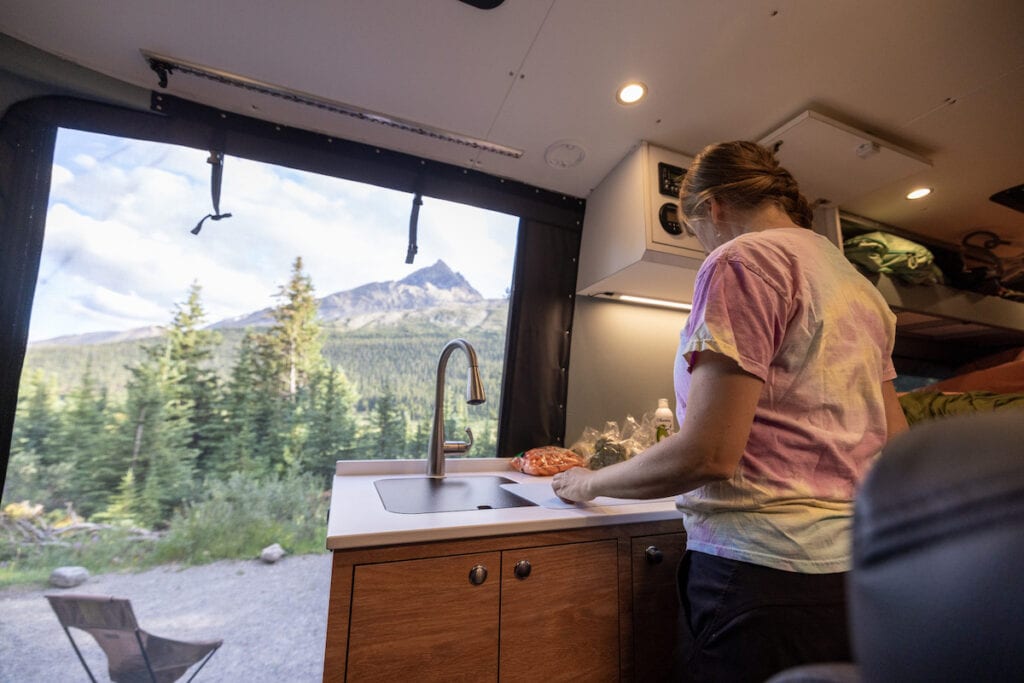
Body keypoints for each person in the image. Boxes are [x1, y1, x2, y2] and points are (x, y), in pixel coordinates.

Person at [552, 140, 909, 681]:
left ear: (712, 207)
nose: (704, 247)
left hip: (758, 574)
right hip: (854, 576)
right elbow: (897, 443)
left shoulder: (743, 259)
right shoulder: (861, 291)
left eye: (697, 233)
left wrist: (589, 483)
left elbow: (709, 453)